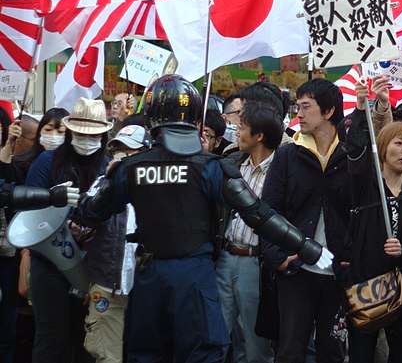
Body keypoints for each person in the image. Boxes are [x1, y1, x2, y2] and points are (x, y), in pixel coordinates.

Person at [77, 75, 331, 363]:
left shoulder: (130, 168)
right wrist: (307, 247)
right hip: (194, 277)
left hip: (149, 276)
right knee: (203, 355)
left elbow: (91, 213)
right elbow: (258, 215)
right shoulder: (210, 168)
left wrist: (78, 194)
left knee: (145, 354)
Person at [262, 78, 376, 363]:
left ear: (328, 112)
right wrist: (279, 257)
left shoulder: (351, 154)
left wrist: (357, 258)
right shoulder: (288, 154)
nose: (298, 114)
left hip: (340, 272)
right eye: (297, 107)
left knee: (333, 352)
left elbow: (365, 207)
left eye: (305, 107)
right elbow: (269, 211)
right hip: (296, 270)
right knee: (290, 350)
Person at [342, 78, 402, 362]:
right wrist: (361, 108)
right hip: (365, 290)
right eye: (398, 143)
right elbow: (355, 150)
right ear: (382, 148)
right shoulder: (364, 188)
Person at [26, 98, 112, 363]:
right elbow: (29, 210)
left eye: (93, 134)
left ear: (103, 134)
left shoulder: (109, 166)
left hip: (93, 268)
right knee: (51, 340)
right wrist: (61, 224)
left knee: (88, 341)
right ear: (71, 131)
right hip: (50, 264)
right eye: (81, 133)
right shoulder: (47, 161)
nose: (87, 139)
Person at [216, 102, 282, 363]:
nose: (237, 132)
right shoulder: (232, 165)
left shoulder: (281, 172)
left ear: (259, 135)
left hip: (256, 263)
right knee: (217, 335)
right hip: (224, 257)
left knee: (255, 344)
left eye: (242, 127)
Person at [80, 125, 150, 363]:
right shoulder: (101, 184)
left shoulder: (159, 187)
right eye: (118, 150)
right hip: (106, 288)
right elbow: (83, 223)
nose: (123, 157)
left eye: (130, 151)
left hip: (147, 288)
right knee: (107, 356)